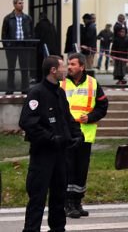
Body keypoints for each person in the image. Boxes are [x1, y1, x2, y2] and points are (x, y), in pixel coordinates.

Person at [19, 55, 84, 232]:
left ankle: (57, 228)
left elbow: (67, 118)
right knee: (38, 197)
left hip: (61, 154)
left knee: (59, 196)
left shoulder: (59, 92)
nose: (66, 70)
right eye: (63, 66)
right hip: (43, 154)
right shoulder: (37, 92)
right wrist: (50, 137)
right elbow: (28, 122)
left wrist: (77, 135)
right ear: (53, 70)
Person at [60, 53, 108, 218]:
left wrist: (91, 117)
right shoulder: (62, 83)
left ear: (82, 67)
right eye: (69, 64)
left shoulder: (93, 83)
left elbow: (103, 106)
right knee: (68, 170)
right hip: (67, 135)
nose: (69, 67)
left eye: (73, 64)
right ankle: (67, 204)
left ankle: (77, 202)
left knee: (81, 171)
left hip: (85, 134)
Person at [1, 0, 34, 95]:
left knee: (25, 68)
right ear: (14, 5)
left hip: (24, 46)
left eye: (22, 3)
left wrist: (29, 44)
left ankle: (25, 88)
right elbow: (4, 34)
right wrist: (7, 46)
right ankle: (10, 88)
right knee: (11, 69)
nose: (22, 5)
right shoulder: (8, 18)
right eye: (20, 3)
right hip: (12, 46)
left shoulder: (27, 18)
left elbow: (31, 32)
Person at [34, 12, 58, 83]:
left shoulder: (39, 25)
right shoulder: (52, 25)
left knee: (41, 64)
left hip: (42, 49)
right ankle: (51, 79)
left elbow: (36, 36)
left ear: (40, 18)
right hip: (52, 49)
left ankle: (41, 79)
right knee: (51, 65)